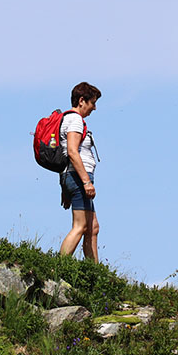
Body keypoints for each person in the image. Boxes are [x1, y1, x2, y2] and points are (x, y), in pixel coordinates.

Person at [58, 82, 101, 260]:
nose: (94, 108)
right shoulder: (75, 120)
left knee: (93, 227)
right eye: (92, 102)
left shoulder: (70, 120)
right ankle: (59, 268)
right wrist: (85, 182)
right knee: (80, 225)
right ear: (82, 100)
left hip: (74, 177)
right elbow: (72, 152)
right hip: (78, 177)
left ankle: (94, 275)